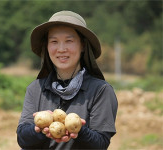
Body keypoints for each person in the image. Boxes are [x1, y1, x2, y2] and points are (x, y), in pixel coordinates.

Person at [16, 10, 118, 149]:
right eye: (54, 41)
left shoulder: (101, 91)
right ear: (47, 46)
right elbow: (22, 139)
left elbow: (100, 143)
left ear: (82, 45)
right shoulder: (35, 88)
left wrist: (79, 130)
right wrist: (40, 128)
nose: (61, 49)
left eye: (69, 41)